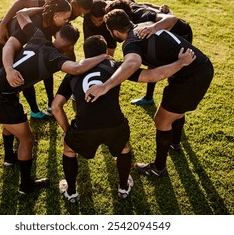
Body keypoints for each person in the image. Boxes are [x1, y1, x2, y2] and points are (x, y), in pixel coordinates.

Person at [52, 35, 196, 202]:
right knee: (124, 148)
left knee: (69, 149)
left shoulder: (72, 73)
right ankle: (123, 188)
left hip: (85, 127)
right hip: (114, 124)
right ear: (106, 51)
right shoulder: (116, 66)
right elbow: (152, 76)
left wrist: (68, 130)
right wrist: (181, 63)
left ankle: (71, 192)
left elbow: (56, 106)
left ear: (85, 52)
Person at [0, 16, 111, 194]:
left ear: (57, 34)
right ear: (70, 46)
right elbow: (77, 68)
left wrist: (42, 7)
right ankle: (26, 186)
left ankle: (10, 157)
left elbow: (22, 15)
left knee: (12, 121)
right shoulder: (55, 58)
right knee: (27, 140)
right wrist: (103, 56)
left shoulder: (37, 35)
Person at [85, 9, 214, 177]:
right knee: (174, 110)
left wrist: (105, 86)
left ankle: (158, 168)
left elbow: (136, 66)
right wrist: (157, 26)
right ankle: (175, 143)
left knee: (161, 120)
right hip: (197, 68)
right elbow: (171, 18)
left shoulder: (130, 43)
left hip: (191, 76)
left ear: (114, 31)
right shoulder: (145, 25)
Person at [0, 0, 72, 167]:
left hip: (11, 57)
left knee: (12, 95)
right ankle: (14, 160)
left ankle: (9, 156)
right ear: (55, 15)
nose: (68, 20)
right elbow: (10, 44)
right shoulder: (35, 23)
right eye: (66, 17)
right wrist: (9, 69)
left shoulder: (50, 26)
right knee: (10, 91)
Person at [105, 0, 194, 105]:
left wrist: (154, 27)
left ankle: (175, 102)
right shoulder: (130, 14)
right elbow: (144, 3)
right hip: (164, 35)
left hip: (181, 33)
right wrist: (159, 7)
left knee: (175, 70)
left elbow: (172, 18)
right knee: (151, 59)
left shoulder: (142, 17)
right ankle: (149, 98)